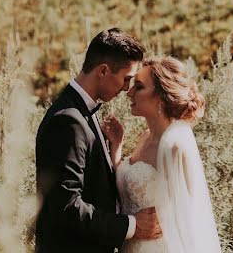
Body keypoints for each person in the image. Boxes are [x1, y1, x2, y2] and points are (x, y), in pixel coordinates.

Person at [35, 28, 162, 253]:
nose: (126, 89)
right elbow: (67, 206)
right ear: (103, 70)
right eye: (126, 79)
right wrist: (132, 225)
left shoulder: (82, 111)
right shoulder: (68, 120)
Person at [101, 57, 221, 253]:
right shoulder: (145, 137)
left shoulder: (175, 145)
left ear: (161, 96)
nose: (129, 93)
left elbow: (191, 217)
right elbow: (127, 188)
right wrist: (117, 146)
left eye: (138, 87)